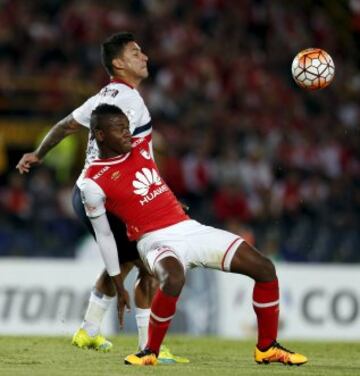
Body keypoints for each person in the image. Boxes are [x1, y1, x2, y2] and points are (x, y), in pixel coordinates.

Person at [81, 103, 308, 366]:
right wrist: (117, 282)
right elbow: (106, 236)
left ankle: (267, 347)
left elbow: (143, 114)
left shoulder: (142, 147)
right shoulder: (93, 181)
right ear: (99, 134)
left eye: (126, 127)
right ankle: (150, 351)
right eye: (118, 129)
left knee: (265, 268)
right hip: (153, 239)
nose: (126, 133)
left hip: (190, 228)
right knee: (174, 277)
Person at [16, 32, 188, 363]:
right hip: (111, 194)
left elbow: (66, 125)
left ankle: (89, 330)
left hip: (88, 191)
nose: (145, 56)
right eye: (136, 52)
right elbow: (137, 160)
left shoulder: (104, 96)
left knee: (125, 262)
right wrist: (160, 197)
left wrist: (38, 153)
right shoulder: (130, 101)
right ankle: (149, 346)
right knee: (149, 264)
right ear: (118, 63)